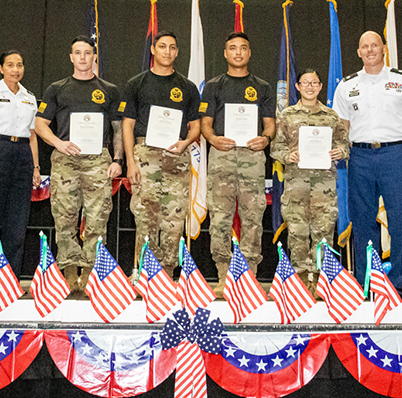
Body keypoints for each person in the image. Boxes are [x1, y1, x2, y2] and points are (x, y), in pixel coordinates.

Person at [332, 31, 402, 300]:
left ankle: (397, 283)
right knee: (362, 223)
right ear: (358, 52)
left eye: (375, 45)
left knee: (399, 222)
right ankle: (366, 283)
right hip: (359, 157)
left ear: (384, 48)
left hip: (394, 154)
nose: (370, 50)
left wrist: (398, 151)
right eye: (365, 46)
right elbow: (343, 128)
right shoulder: (346, 85)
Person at [35, 36, 123, 292]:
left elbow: (118, 129)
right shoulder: (56, 88)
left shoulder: (110, 90)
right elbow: (40, 125)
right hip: (66, 160)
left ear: (95, 56)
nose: (83, 57)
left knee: (97, 219)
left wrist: (118, 160)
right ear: (71, 57)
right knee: (64, 218)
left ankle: (91, 274)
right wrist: (57, 143)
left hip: (99, 161)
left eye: (88, 53)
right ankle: (70, 273)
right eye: (78, 53)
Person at [121, 31, 201, 277]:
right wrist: (131, 163)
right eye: (162, 46)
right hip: (145, 156)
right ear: (153, 50)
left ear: (177, 52)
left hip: (176, 157)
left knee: (174, 218)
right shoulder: (136, 84)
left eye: (172, 47)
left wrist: (185, 142)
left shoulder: (187, 87)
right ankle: (145, 271)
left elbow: (196, 127)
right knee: (145, 215)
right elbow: (127, 126)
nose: (167, 51)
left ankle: (166, 273)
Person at [200, 32, 275, 293]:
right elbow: (205, 124)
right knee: (220, 218)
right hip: (221, 156)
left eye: (243, 48)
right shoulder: (213, 86)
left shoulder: (262, 87)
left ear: (250, 52)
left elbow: (270, 125)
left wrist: (265, 140)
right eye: (233, 48)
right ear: (225, 53)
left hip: (252, 158)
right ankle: (222, 275)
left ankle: (249, 278)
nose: (238, 52)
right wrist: (213, 139)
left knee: (253, 217)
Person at [271, 69, 348, 292]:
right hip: (297, 186)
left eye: (314, 82)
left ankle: (323, 282)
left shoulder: (331, 116)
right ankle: (301, 284)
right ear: (297, 86)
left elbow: (345, 143)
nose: (310, 87)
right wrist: (288, 156)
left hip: (324, 187)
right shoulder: (287, 115)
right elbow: (276, 147)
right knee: (297, 233)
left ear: (321, 86)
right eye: (305, 83)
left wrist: (339, 152)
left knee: (324, 234)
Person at [0, 50, 41, 277]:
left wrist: (35, 167)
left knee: (18, 220)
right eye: (10, 65)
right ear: (1, 68)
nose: (15, 69)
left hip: (22, 154)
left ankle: (10, 277)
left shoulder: (29, 96)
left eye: (19, 65)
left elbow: (32, 135)